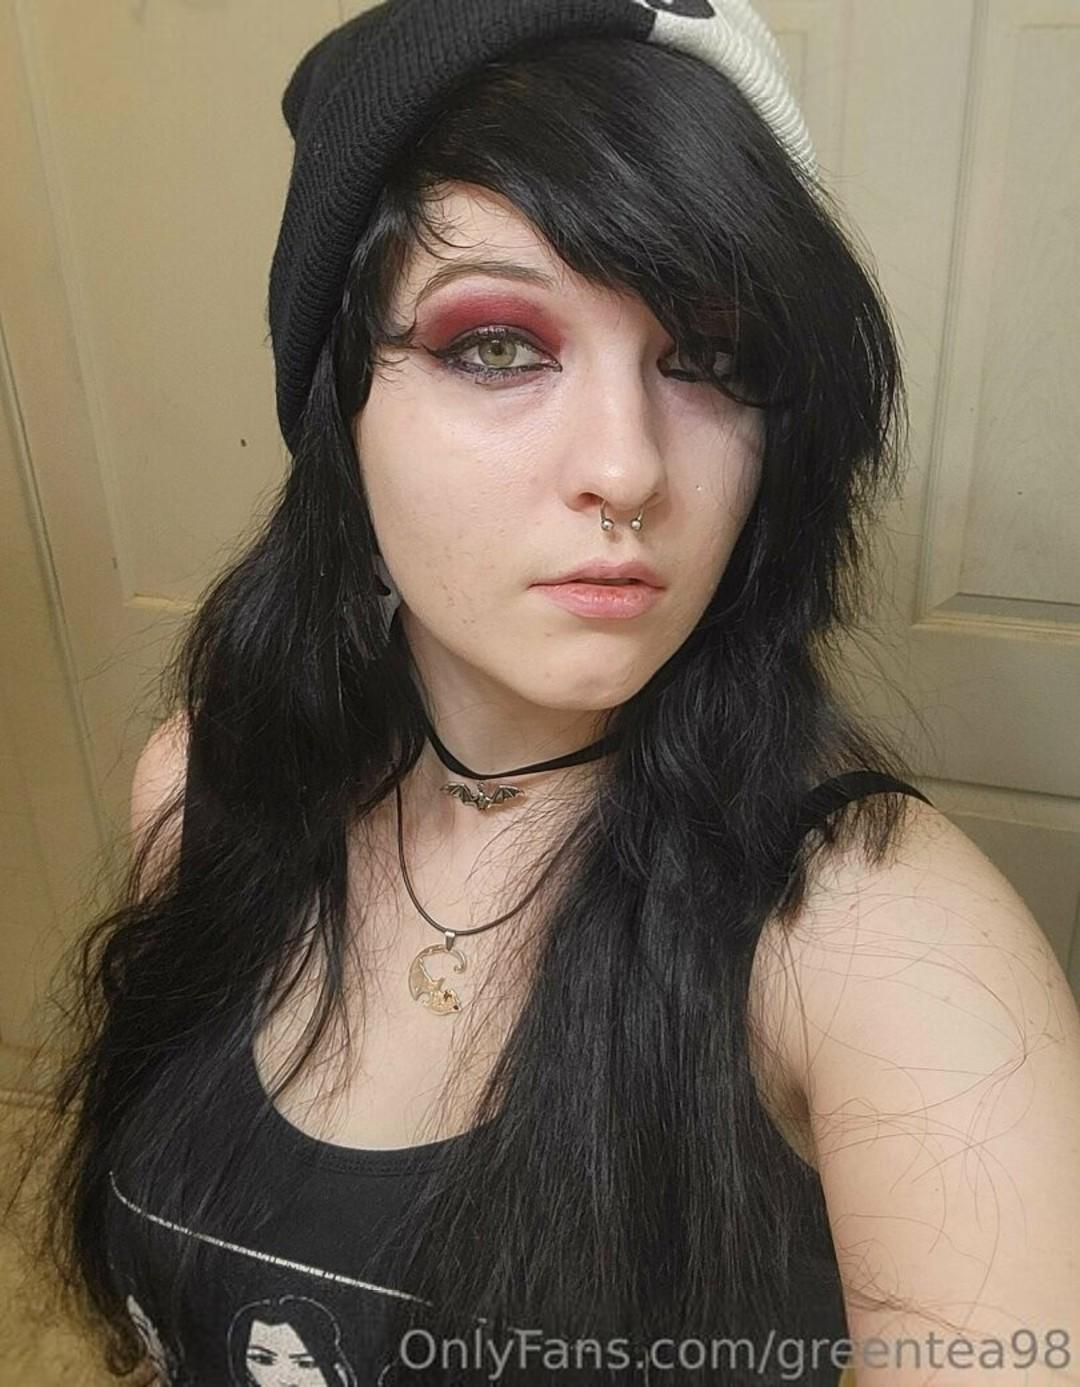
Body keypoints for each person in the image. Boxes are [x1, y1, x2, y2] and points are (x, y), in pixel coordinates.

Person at [7, 2, 1079, 1384]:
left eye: (712, 359)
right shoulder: (203, 789)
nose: (628, 467)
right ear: (340, 406)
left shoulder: (879, 941)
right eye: (498, 346)